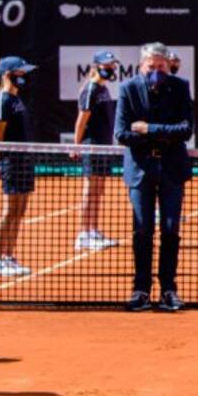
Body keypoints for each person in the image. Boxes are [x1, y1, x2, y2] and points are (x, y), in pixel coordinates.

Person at [115, 42, 194, 313]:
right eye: (152, 67)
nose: (157, 71)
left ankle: (169, 289)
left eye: (161, 67)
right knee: (142, 230)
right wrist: (162, 135)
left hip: (172, 169)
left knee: (171, 230)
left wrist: (149, 129)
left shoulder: (180, 87)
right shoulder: (128, 89)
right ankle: (141, 289)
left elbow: (185, 130)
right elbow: (122, 133)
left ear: (167, 65)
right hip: (140, 170)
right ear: (141, 66)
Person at [0, 56, 37, 279]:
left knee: (20, 211)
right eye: (20, 72)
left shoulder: (15, 98)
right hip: (11, 162)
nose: (24, 76)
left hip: (25, 161)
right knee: (10, 211)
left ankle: (8, 256)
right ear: (8, 74)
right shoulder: (3, 100)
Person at [72, 50, 120, 251]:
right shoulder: (91, 89)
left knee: (98, 190)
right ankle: (84, 234)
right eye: (106, 66)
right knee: (90, 190)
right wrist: (76, 145)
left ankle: (93, 230)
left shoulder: (103, 89)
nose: (110, 69)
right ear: (95, 67)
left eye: (112, 66)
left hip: (104, 147)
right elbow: (82, 119)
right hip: (92, 146)